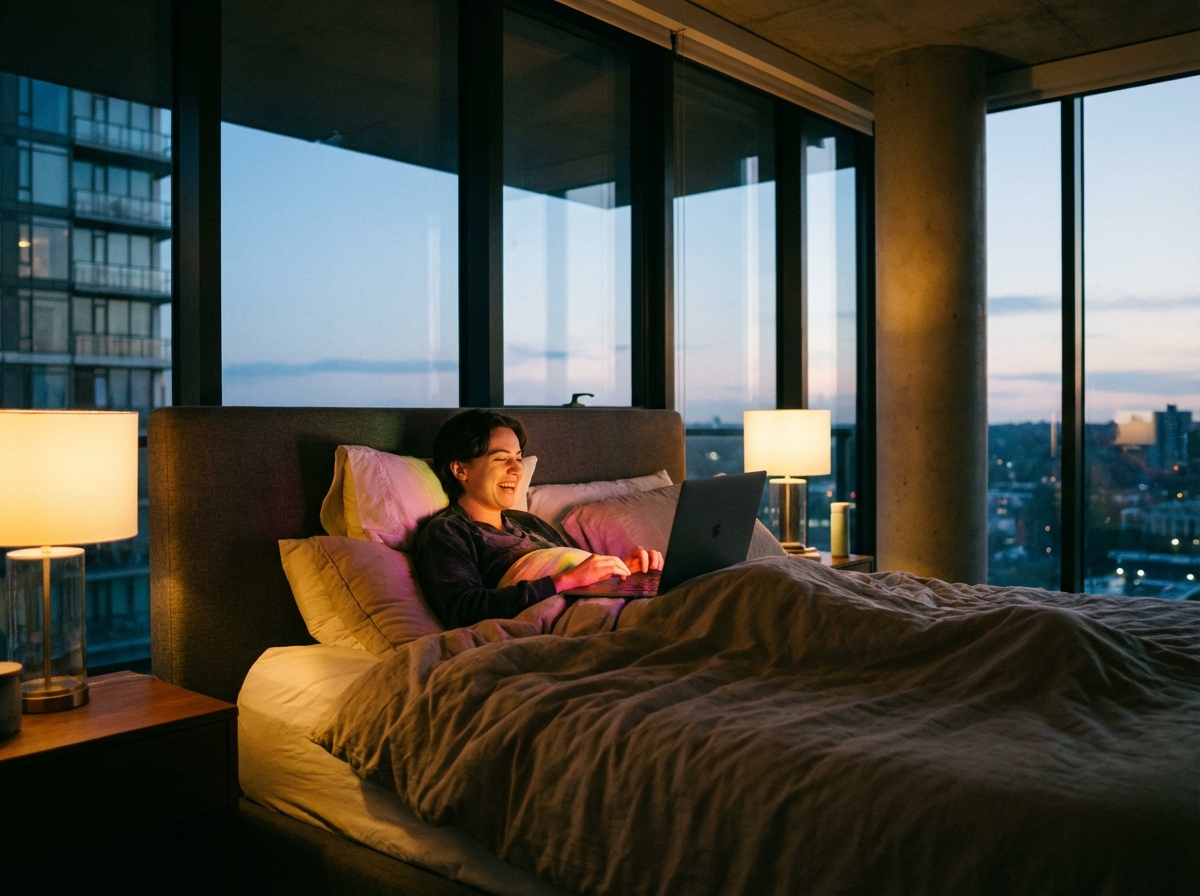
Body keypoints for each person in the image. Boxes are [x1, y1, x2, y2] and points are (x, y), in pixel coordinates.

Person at [414, 409, 663, 629]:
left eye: (519, 458)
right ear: (460, 470)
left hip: (601, 603)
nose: (517, 469)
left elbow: (580, 574)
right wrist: (562, 581)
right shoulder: (448, 531)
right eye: (501, 459)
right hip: (575, 618)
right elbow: (464, 610)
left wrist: (621, 574)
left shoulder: (528, 522)